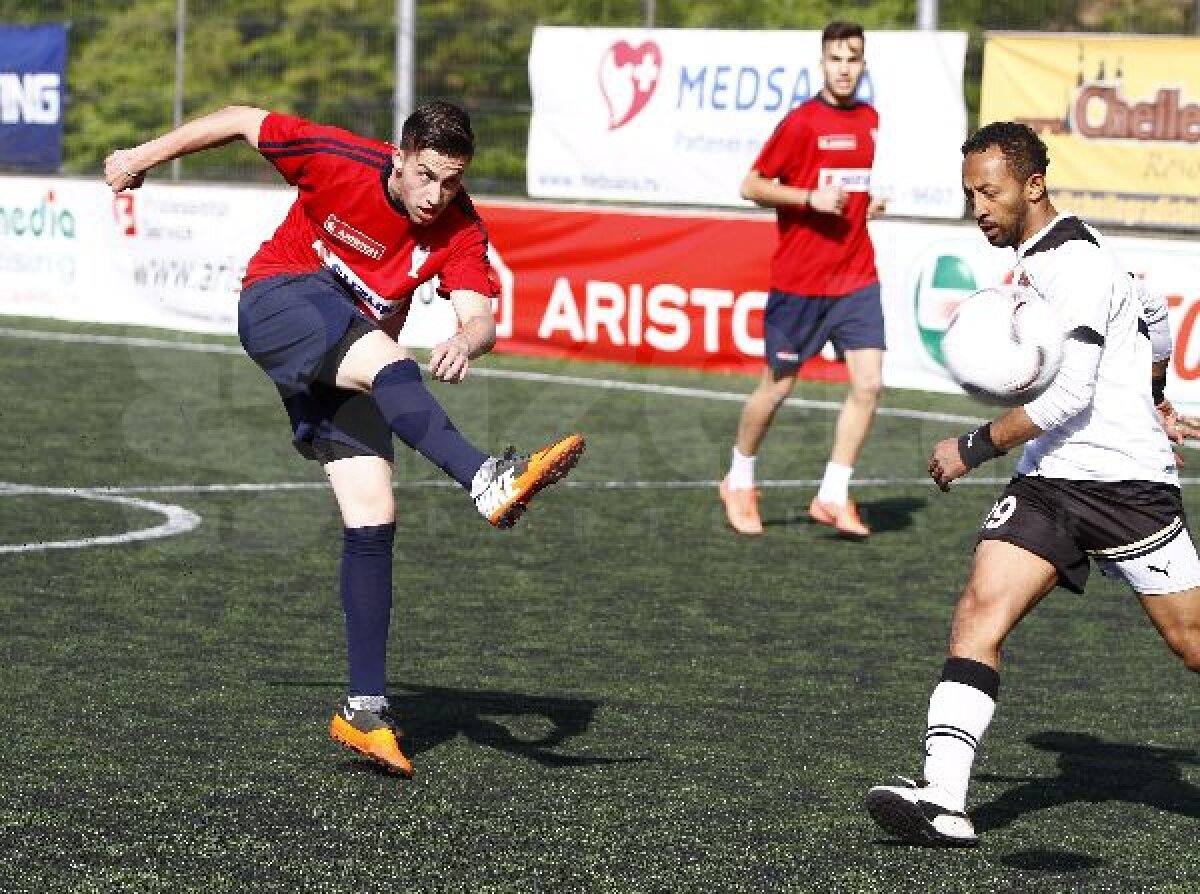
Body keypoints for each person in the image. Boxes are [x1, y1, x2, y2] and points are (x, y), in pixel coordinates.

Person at [104, 101, 585, 778]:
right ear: (400, 155)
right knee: (389, 359)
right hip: (279, 301)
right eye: (426, 175)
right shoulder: (340, 158)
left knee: (373, 514)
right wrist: (137, 157)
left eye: (451, 181)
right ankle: (484, 477)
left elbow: (482, 318)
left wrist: (463, 337)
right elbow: (244, 119)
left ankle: (363, 711)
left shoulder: (460, 225)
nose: (436, 194)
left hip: (344, 354)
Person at [864, 121, 1200, 846]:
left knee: (1194, 644)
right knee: (977, 613)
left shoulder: (1074, 263)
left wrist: (971, 446)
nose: (978, 206)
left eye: (989, 192)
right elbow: (1156, 315)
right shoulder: (1049, 257)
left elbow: (1069, 397)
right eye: (969, 194)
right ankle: (944, 799)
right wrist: (1159, 392)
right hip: (1049, 480)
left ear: (1032, 186)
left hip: (1124, 484)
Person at [719, 20, 888, 539]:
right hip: (800, 284)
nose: (844, 67)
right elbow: (751, 185)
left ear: (862, 64)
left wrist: (867, 206)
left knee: (869, 384)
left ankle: (833, 495)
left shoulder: (870, 119)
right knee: (776, 389)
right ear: (823, 63)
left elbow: (850, 188)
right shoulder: (801, 122)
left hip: (857, 276)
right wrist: (807, 198)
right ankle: (739, 479)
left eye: (853, 58)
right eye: (836, 58)